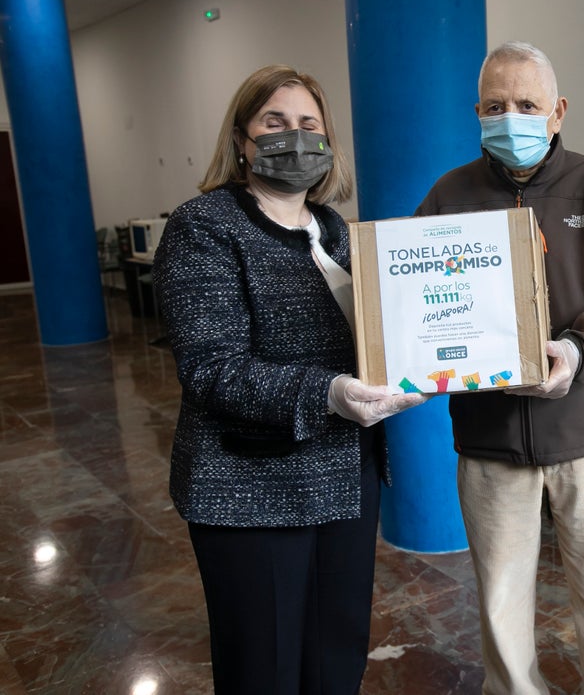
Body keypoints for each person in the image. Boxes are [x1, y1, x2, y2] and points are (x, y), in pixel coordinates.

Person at [152, 64, 426, 694]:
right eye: (275, 122)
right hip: (253, 486)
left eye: (309, 124)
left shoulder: (336, 230)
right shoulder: (205, 226)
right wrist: (327, 392)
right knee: (264, 668)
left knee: (337, 653)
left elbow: (381, 332)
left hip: (344, 474)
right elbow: (210, 368)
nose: (294, 137)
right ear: (243, 138)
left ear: (328, 142)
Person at [415, 41, 584, 695]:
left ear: (558, 111)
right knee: (499, 600)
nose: (511, 116)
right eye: (496, 105)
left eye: (527, 103)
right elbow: (414, 304)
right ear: (477, 112)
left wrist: (577, 351)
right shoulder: (449, 196)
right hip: (490, 440)